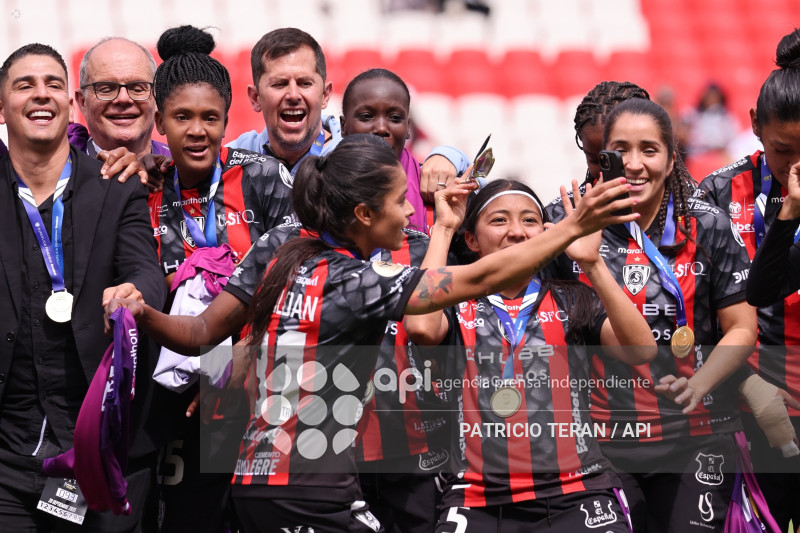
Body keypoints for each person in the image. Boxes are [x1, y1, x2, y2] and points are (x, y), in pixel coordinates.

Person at [104, 138, 638, 533]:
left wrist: (143, 314)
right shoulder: (360, 280)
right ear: (363, 213)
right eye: (400, 202)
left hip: (254, 480)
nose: (411, 211)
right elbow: (481, 276)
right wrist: (568, 229)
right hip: (311, 490)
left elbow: (197, 333)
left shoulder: (279, 248)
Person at [404, 178, 657, 531]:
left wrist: (593, 264)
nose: (517, 232)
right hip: (478, 498)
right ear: (472, 240)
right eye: (498, 220)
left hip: (578, 490)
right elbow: (420, 328)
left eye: (529, 220)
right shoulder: (456, 303)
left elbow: (641, 350)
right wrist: (445, 228)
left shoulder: (573, 297)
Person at [563, 98, 756, 532]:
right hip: (602, 445)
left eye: (649, 150)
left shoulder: (707, 226)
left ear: (671, 161)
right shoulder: (567, 225)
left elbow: (743, 328)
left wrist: (700, 383)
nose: (634, 164)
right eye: (620, 151)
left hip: (698, 435)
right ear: (602, 159)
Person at [0, 43, 165, 531]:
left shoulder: (116, 183)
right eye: (24, 85)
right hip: (6, 455)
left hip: (95, 450)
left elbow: (146, 271)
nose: (40, 95)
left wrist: (136, 293)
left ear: (70, 104)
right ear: (2, 105)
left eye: (52, 83)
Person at [146, 24, 298, 533]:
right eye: (181, 117)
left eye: (210, 118)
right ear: (158, 122)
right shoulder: (142, 185)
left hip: (251, 385)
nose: (197, 131)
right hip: (163, 390)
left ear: (227, 120)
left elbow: (298, 272)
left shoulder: (262, 177)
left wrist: (243, 355)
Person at [702, 28, 800, 532]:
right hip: (755, 409)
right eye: (784, 150)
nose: (798, 167)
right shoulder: (714, 196)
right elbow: (695, 312)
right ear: (756, 126)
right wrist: (748, 384)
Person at [228, 28, 467, 194]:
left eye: (305, 83)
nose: (293, 95)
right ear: (255, 97)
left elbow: (480, 184)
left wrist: (447, 157)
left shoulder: (361, 151)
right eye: (279, 84)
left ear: (325, 95)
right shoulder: (234, 159)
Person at [341, 68, 469, 234]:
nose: (381, 128)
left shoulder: (438, 188)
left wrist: (452, 155)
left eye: (394, 118)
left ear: (408, 127)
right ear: (343, 126)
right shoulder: (320, 186)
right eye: (366, 116)